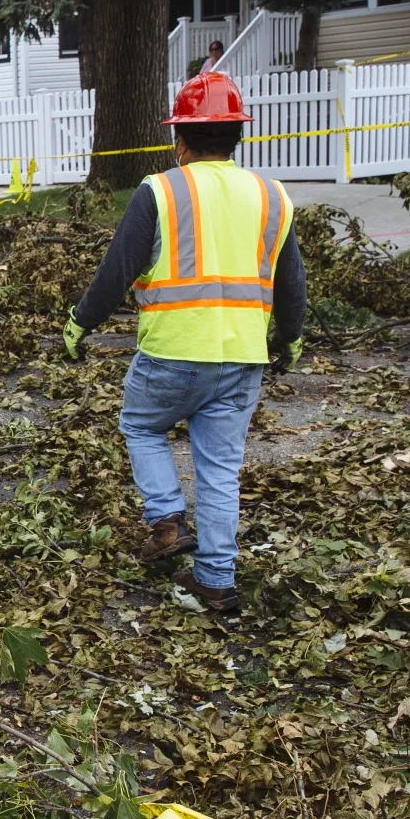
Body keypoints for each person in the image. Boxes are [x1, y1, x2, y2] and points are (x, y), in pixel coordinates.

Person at [61, 70, 307, 614]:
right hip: (243, 357)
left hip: (172, 351)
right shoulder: (272, 196)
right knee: (220, 468)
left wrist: (80, 324)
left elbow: (116, 270)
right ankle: (217, 581)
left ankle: (167, 518)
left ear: (181, 139)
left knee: (141, 425)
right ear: (238, 136)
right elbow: (292, 282)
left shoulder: (162, 190)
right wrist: (289, 340)